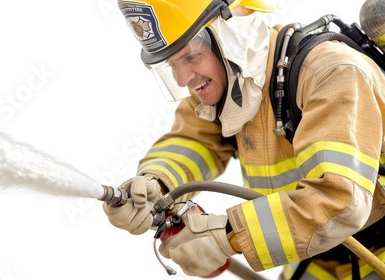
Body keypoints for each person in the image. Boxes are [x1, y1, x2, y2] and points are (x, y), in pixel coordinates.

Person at [102, 0, 385, 279]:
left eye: (190, 56)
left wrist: (227, 238)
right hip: (313, 257)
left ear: (233, 30)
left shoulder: (331, 73)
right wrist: (156, 183)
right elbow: (195, 141)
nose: (182, 79)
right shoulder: (229, 86)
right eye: (171, 64)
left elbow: (339, 199)